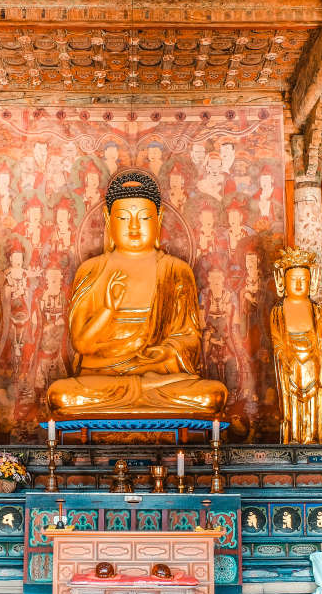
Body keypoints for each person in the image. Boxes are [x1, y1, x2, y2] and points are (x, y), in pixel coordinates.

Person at [45, 169, 227, 416]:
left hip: (160, 381)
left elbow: (189, 338)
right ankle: (137, 397)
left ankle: (142, 394)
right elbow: (82, 344)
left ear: (159, 219)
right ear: (109, 220)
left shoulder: (175, 270)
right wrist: (107, 311)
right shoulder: (92, 270)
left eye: (143, 218)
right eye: (122, 218)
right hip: (101, 380)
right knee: (61, 394)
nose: (133, 227)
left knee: (212, 395)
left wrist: (166, 350)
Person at [270, 248, 322, 444]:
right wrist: (284, 355)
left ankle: (311, 437)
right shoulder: (278, 310)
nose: (298, 284)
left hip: (312, 360)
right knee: (292, 400)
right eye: (293, 279)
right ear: (283, 282)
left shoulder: (315, 308)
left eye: (303, 279)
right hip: (290, 359)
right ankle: (293, 437)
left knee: (312, 399)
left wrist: (318, 359)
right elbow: (277, 339)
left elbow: (321, 339)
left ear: (311, 282)